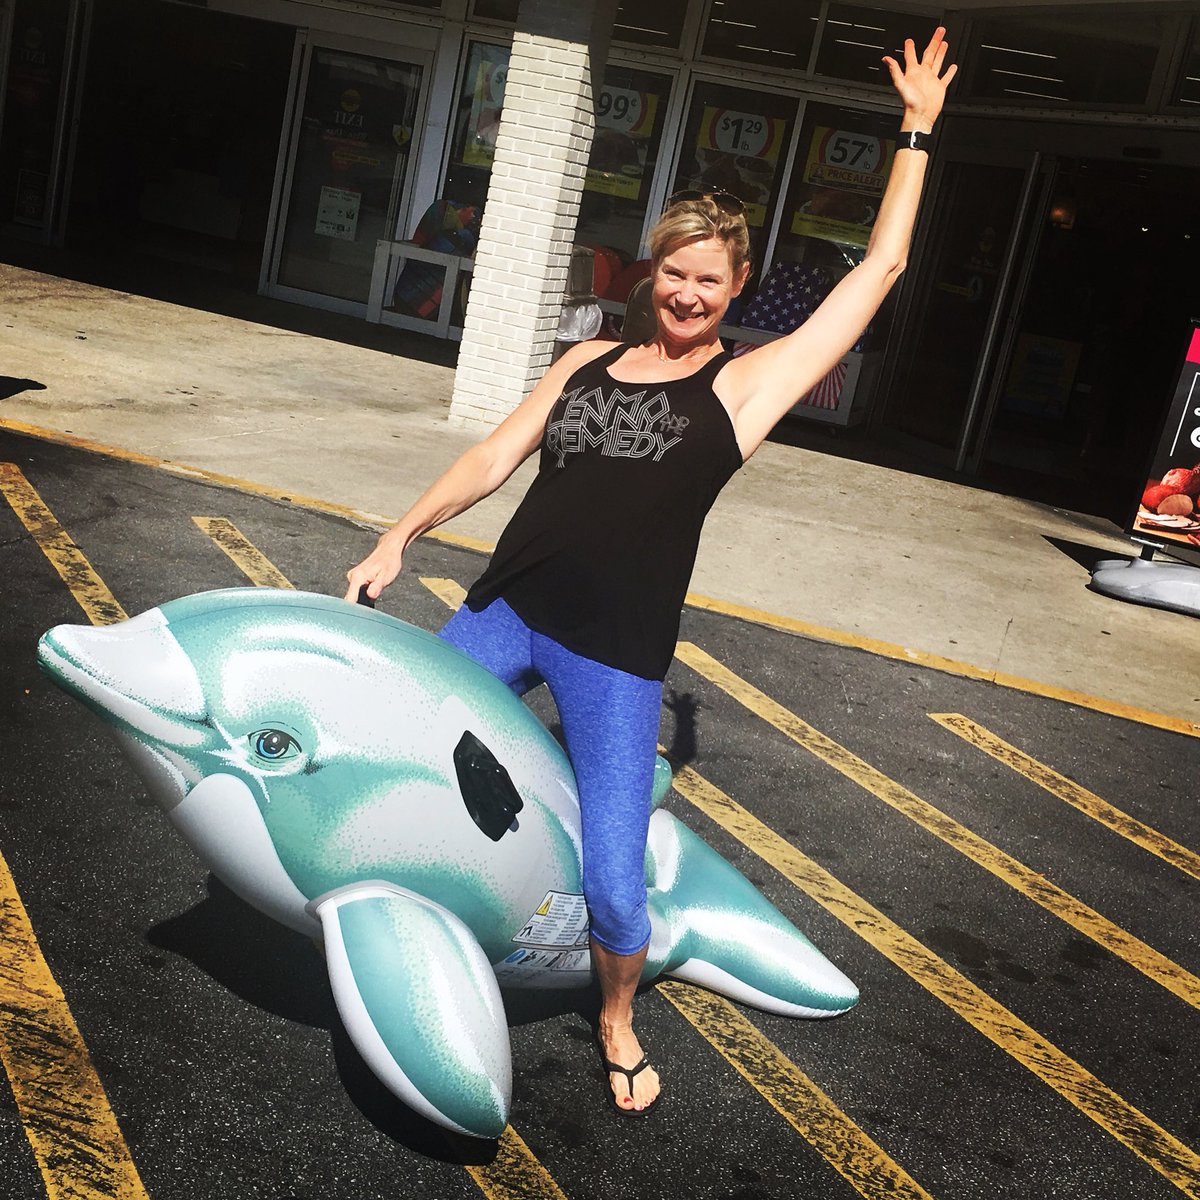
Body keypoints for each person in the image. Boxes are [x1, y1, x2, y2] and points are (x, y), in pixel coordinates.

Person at [344, 28, 956, 1118]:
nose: (685, 294)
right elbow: (491, 458)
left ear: (737, 286)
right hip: (504, 611)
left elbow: (880, 271)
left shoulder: (745, 389)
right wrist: (400, 536)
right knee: (400, 755)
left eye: (708, 280)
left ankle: (618, 1018)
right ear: (650, 270)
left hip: (614, 655)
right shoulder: (585, 359)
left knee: (617, 888)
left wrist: (914, 133)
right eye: (673, 272)